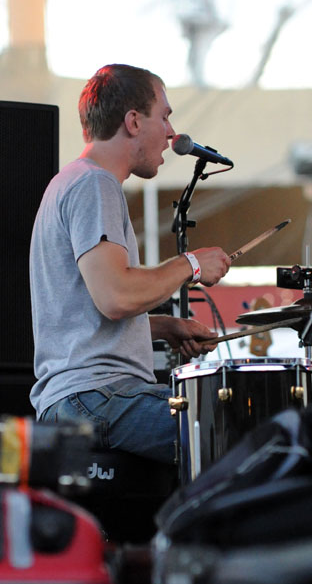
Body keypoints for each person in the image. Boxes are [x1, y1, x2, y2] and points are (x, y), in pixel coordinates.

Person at [29, 63, 231, 463]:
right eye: (165, 116)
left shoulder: (72, 181)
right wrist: (190, 263)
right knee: (233, 422)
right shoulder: (94, 183)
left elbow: (83, 315)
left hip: (81, 398)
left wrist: (164, 327)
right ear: (134, 121)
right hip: (94, 397)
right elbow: (116, 297)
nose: (172, 133)